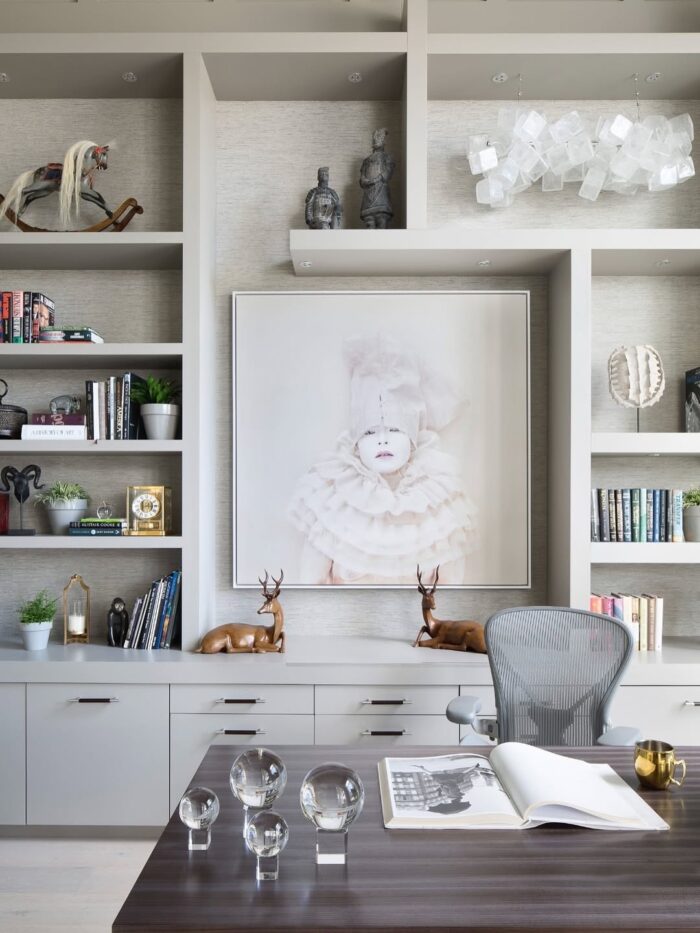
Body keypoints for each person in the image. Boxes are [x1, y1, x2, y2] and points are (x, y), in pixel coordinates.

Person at [287, 334, 476, 585]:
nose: (382, 440)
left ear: (413, 437)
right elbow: (311, 587)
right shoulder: (331, 501)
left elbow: (451, 591)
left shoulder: (441, 503)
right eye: (369, 432)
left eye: (395, 430)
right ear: (355, 441)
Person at [359, 128, 395, 228]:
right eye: (375, 138)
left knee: (381, 220)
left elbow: (387, 173)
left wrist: (377, 179)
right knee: (369, 221)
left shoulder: (387, 157)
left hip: (381, 192)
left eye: (379, 138)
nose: (376, 140)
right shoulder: (366, 160)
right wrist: (367, 181)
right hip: (368, 195)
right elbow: (362, 179)